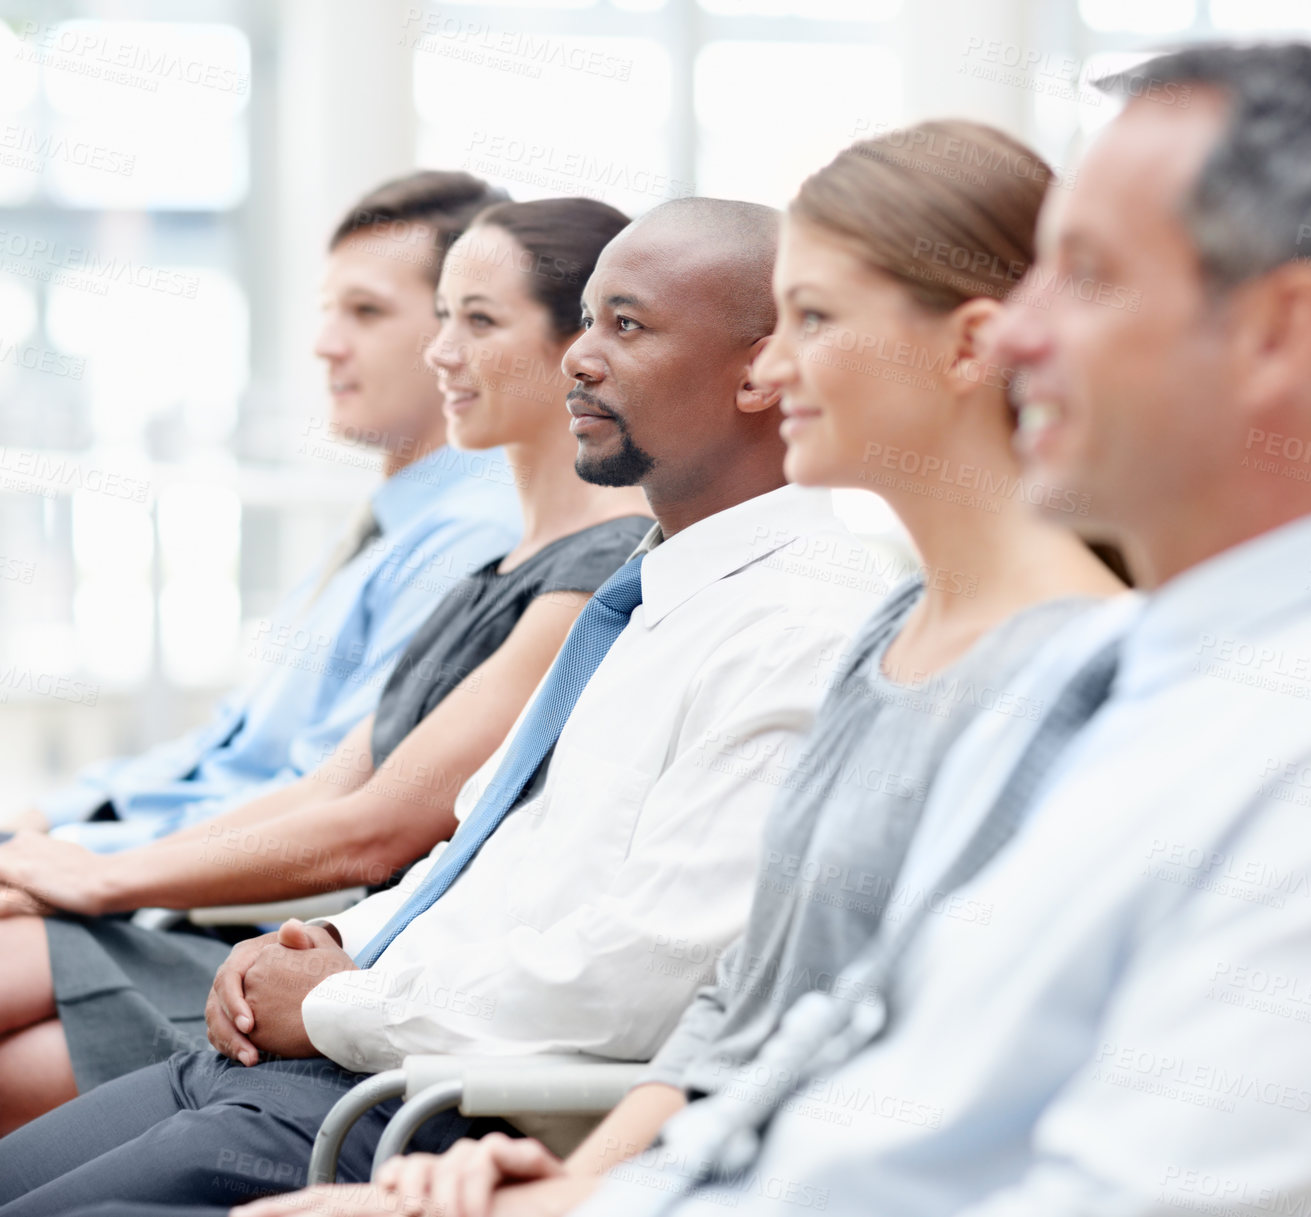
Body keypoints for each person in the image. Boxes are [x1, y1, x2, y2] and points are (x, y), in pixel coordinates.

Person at [362, 43, 1311, 1217]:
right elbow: (862, 1052)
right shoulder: (1118, 672)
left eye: (1084, 276)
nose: (1017, 336)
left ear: (1278, 335)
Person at [312, 119, 1133, 1217]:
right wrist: (581, 1179)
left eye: (814, 319)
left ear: (969, 346)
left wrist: (579, 1199)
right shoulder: (891, 632)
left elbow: (935, 1103)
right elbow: (753, 1008)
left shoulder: (1062, 670)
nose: (772, 365)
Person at [0, 196, 884, 1213]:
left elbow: (634, 976)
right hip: (321, 1057)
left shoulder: (794, 627)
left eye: (625, 326)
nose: (580, 360)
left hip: (411, 1111)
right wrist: (321, 947)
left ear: (759, 368)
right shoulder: (653, 592)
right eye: (587, 320)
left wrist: (333, 998)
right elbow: (475, 863)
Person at [0, 196, 653, 1132]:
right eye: (440, 319)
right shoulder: (491, 564)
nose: (443, 353)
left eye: (478, 321)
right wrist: (95, 864)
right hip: (293, 939)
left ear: (574, 350)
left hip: (349, 960)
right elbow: (328, 782)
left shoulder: (591, 574)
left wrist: (104, 877)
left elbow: (375, 831)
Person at [0, 170, 520, 859]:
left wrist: (91, 858)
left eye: (366, 311)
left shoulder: (475, 538)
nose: (325, 343)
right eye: (329, 309)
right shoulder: (395, 517)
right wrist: (50, 821)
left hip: (228, 897)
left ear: (470, 327)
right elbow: (227, 748)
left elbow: (327, 803)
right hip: (164, 854)